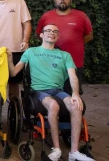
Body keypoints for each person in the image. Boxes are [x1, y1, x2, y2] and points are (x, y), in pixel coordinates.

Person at [7, 24, 94, 161]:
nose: (51, 33)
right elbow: (14, 72)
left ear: (57, 36)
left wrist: (75, 94)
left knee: (76, 105)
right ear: (41, 35)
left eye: (55, 31)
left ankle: (74, 152)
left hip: (58, 90)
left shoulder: (65, 55)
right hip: (39, 90)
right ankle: (56, 149)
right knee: (53, 105)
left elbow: (72, 76)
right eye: (48, 31)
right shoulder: (31, 52)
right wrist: (9, 58)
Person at [36, 0, 93, 94]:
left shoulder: (81, 16)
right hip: (50, 63)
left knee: (72, 94)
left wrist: (75, 43)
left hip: (75, 62)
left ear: (71, 0)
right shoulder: (46, 16)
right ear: (55, 1)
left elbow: (89, 36)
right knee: (51, 93)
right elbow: (40, 35)